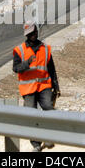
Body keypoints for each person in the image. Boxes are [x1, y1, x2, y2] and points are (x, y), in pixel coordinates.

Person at [13, 20, 60, 152]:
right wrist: (27, 63)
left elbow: (51, 68)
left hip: (44, 85)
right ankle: (36, 144)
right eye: (30, 34)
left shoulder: (45, 49)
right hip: (28, 87)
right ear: (26, 35)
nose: (32, 35)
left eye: (33, 32)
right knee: (31, 115)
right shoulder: (19, 50)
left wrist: (56, 86)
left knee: (48, 108)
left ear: (37, 32)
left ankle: (49, 137)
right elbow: (16, 68)